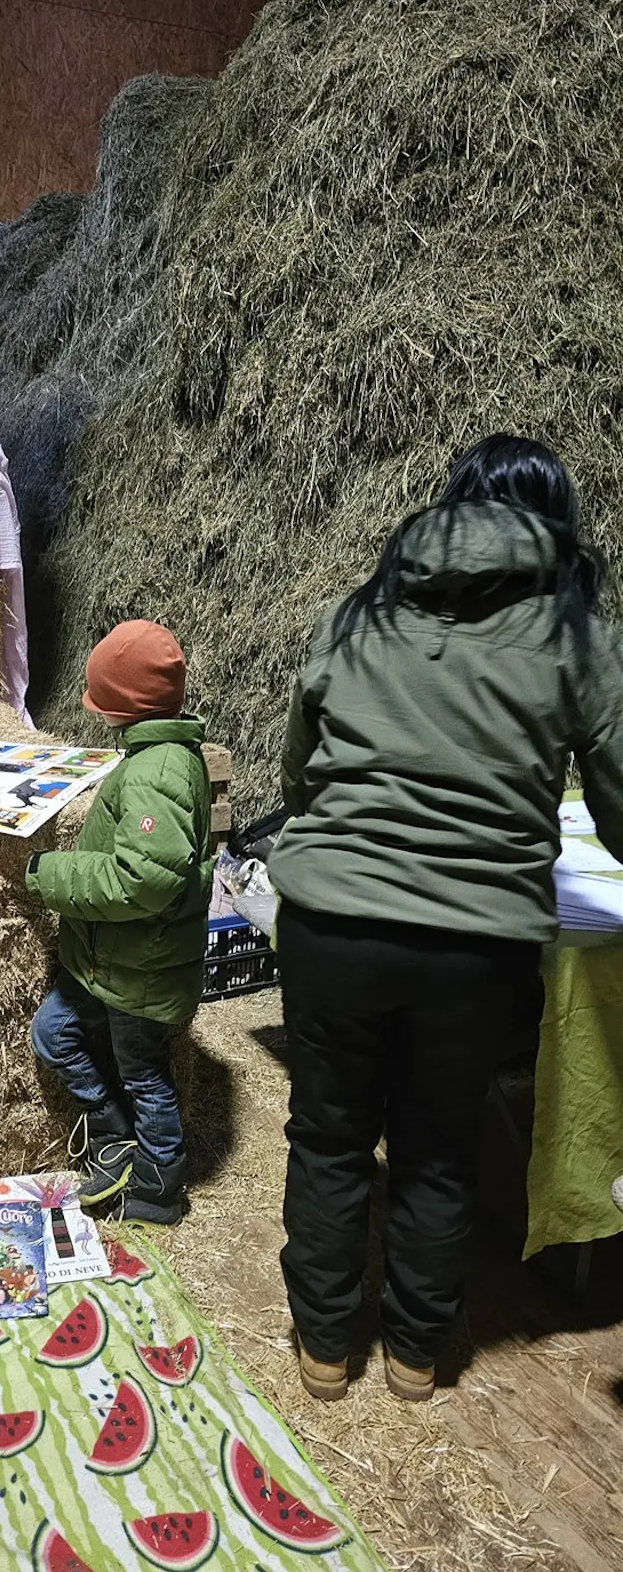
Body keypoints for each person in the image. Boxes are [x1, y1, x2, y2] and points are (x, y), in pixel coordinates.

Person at [270, 435, 623, 1404]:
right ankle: (416, 1356)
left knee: (330, 1134)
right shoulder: (578, 635)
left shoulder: (357, 612)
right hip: (479, 943)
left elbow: (299, 774)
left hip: (334, 920)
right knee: (437, 1145)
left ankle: (325, 1348)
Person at [27, 620, 214, 1225]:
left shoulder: (159, 771)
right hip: (112, 960)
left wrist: (49, 873)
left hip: (140, 971)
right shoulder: (153, 760)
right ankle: (114, 1136)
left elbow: (144, 881)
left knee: (146, 1079)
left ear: (124, 704)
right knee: (52, 1034)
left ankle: (160, 1187)